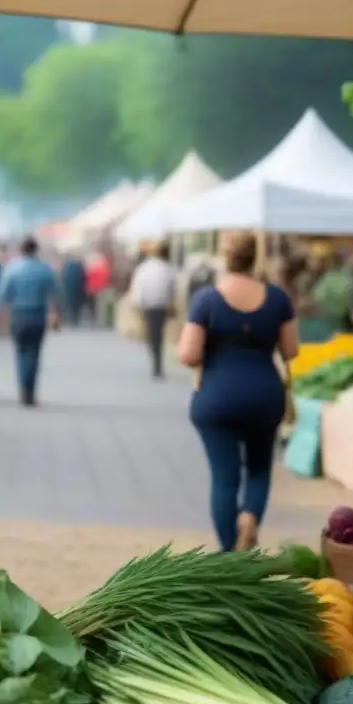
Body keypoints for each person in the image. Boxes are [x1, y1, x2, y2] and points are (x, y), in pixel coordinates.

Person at [177, 233, 299, 552]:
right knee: (259, 468)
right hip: (264, 395)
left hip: (217, 397)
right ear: (254, 257)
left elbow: (189, 354)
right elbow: (291, 350)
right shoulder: (277, 299)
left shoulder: (207, 300)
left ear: (223, 257)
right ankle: (250, 516)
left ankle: (230, 553)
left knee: (224, 477)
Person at [0, 236, 61, 407]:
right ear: (35, 250)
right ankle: (30, 389)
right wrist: (57, 315)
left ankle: (24, 389)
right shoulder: (45, 269)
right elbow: (57, 294)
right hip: (38, 315)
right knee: (34, 353)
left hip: (18, 315)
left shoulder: (11, 269)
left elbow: (1, 297)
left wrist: (0, 321)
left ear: (21, 250)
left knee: (21, 351)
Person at [128, 241, 177, 379]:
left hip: (148, 305)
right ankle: (157, 362)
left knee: (153, 334)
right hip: (161, 305)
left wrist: (137, 303)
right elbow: (172, 288)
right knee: (158, 334)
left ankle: (156, 361)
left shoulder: (145, 268)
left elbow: (138, 286)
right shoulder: (168, 269)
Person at [60, 252, 87, 326]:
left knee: (70, 304)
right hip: (78, 289)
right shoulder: (79, 266)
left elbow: (64, 278)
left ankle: (72, 318)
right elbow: (84, 278)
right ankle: (75, 318)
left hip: (69, 289)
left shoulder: (67, 266)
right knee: (77, 304)